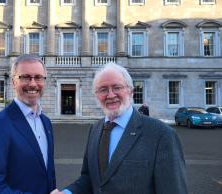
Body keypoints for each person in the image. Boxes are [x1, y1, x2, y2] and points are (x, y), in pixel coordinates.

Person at [52, 62, 187, 194]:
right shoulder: (95, 129)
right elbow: (90, 179)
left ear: (131, 91)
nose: (110, 95)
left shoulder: (162, 134)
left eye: (117, 87)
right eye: (103, 89)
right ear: (96, 95)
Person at [0, 55, 56, 194]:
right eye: (25, 77)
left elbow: (47, 174)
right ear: (13, 82)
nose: (33, 84)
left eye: (38, 77)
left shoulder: (46, 122)